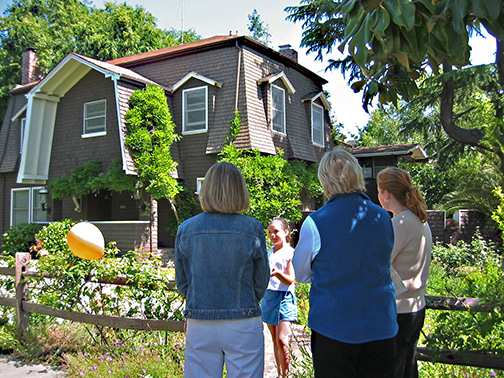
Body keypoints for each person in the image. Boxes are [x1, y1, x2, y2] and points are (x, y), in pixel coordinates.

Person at [292, 148, 398, 378]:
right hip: (382, 325)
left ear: (324, 181)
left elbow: (300, 274)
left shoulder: (316, 222)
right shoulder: (384, 217)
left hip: (335, 329)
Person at [174, 162, 270, 378]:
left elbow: (182, 281)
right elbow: (261, 280)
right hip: (243, 320)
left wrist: (200, 302)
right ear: (240, 191)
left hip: (200, 321)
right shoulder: (252, 228)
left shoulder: (186, 229)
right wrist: (245, 300)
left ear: (206, 190)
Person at [377, 167, 432, 378]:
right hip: (416, 307)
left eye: (380, 190)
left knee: (395, 370)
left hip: (399, 310)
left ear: (386, 194)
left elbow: (380, 262)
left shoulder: (399, 223)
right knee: (408, 367)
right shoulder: (419, 220)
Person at [261, 218, 297, 377]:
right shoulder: (268, 253)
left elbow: (290, 279)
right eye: (270, 232)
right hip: (269, 296)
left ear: (286, 232)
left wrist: (278, 274)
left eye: (276, 231)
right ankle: (279, 373)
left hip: (284, 297)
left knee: (282, 340)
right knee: (275, 340)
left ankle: (286, 373)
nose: (273, 235)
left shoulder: (290, 252)